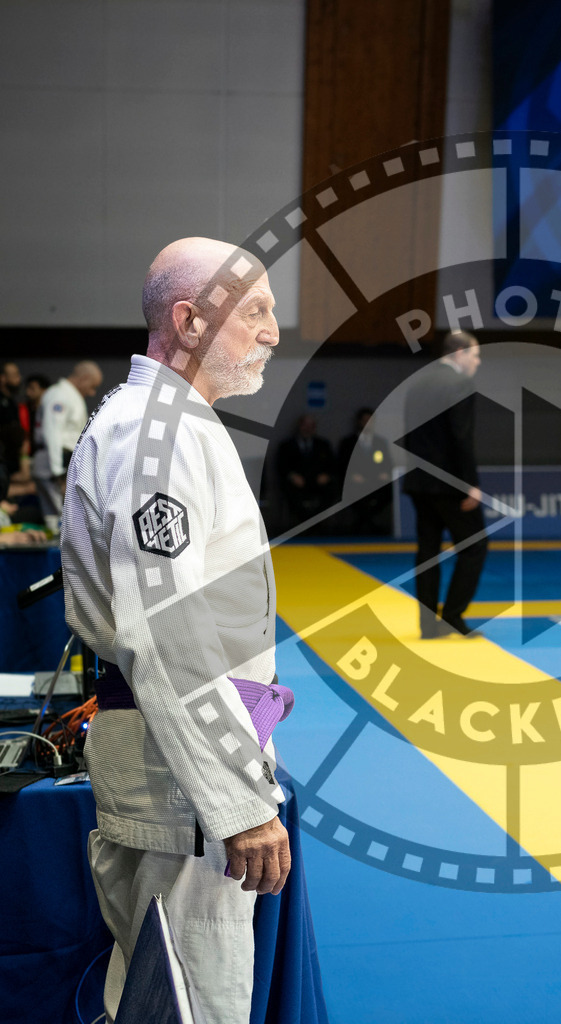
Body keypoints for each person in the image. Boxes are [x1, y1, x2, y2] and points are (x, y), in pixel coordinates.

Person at [61, 237, 291, 1024]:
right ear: (190, 321)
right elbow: (170, 632)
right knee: (196, 1002)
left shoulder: (172, 426)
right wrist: (238, 803)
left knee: (161, 999)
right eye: (255, 310)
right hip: (181, 782)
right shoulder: (155, 435)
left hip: (181, 761)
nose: (273, 331)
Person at [402, 331, 487, 638]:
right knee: (475, 546)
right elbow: (461, 438)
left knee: (427, 552)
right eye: (475, 356)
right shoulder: (460, 383)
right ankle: (452, 615)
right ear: (460, 352)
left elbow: (412, 437)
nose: (477, 363)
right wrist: (470, 484)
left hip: (419, 482)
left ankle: (428, 626)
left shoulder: (418, 383)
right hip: (449, 484)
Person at [31, 361, 103, 531]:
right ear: (84, 378)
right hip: (55, 462)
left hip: (62, 462)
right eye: (92, 386)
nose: (92, 392)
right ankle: (57, 556)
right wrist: (58, 472)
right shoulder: (60, 395)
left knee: (58, 517)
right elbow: (52, 432)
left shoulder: (68, 395)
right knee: (63, 516)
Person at [338, 406, 393, 534]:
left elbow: (387, 464)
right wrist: (351, 475)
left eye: (371, 421)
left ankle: (364, 523)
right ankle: (365, 524)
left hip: (376, 482)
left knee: (388, 490)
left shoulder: (380, 442)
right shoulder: (348, 442)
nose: (368, 424)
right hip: (355, 482)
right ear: (359, 422)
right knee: (351, 491)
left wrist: (384, 474)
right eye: (365, 420)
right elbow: (342, 464)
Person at [276, 414, 336, 530]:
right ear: (299, 426)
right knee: (289, 490)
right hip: (297, 483)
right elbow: (281, 466)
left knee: (331, 489)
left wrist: (326, 475)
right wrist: (292, 476)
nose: (307, 428)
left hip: (318, 482)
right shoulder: (286, 445)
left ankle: (315, 523)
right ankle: (306, 524)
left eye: (311, 425)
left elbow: (332, 464)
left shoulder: (323, 444)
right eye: (305, 425)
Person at [0, 361, 26, 478]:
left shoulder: (12, 402)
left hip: (11, 459)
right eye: (15, 375)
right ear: (3, 378)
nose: (19, 379)